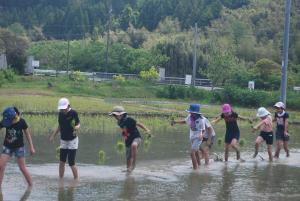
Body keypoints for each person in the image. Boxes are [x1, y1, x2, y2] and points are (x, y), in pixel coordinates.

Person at [0, 107, 35, 187]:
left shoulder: (22, 122)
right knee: (1, 166)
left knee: (22, 168)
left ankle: (31, 186)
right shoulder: (5, 121)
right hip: (7, 146)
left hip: (19, 147)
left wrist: (31, 147)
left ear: (14, 117)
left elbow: (27, 134)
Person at [109, 106, 150, 173]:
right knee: (128, 157)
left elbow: (139, 124)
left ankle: (134, 164)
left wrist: (147, 130)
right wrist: (124, 134)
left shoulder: (129, 119)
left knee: (134, 146)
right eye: (114, 115)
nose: (115, 117)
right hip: (128, 139)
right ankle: (128, 170)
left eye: (116, 115)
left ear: (121, 114)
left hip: (136, 137)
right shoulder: (119, 122)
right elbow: (124, 129)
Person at [49, 98, 80, 179]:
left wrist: (76, 127)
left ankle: (76, 180)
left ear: (68, 106)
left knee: (71, 163)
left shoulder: (73, 113)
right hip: (63, 140)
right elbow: (60, 126)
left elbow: (78, 124)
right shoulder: (61, 114)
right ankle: (61, 179)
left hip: (72, 140)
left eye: (64, 109)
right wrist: (53, 136)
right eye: (61, 109)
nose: (63, 110)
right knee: (61, 162)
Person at [171, 104, 204, 169]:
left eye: (192, 112)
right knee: (196, 152)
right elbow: (184, 121)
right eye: (190, 112)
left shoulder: (201, 120)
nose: (191, 113)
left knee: (192, 153)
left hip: (198, 137)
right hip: (192, 136)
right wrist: (175, 122)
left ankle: (195, 170)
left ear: (196, 113)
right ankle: (199, 166)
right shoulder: (190, 116)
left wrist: (201, 135)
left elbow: (203, 130)